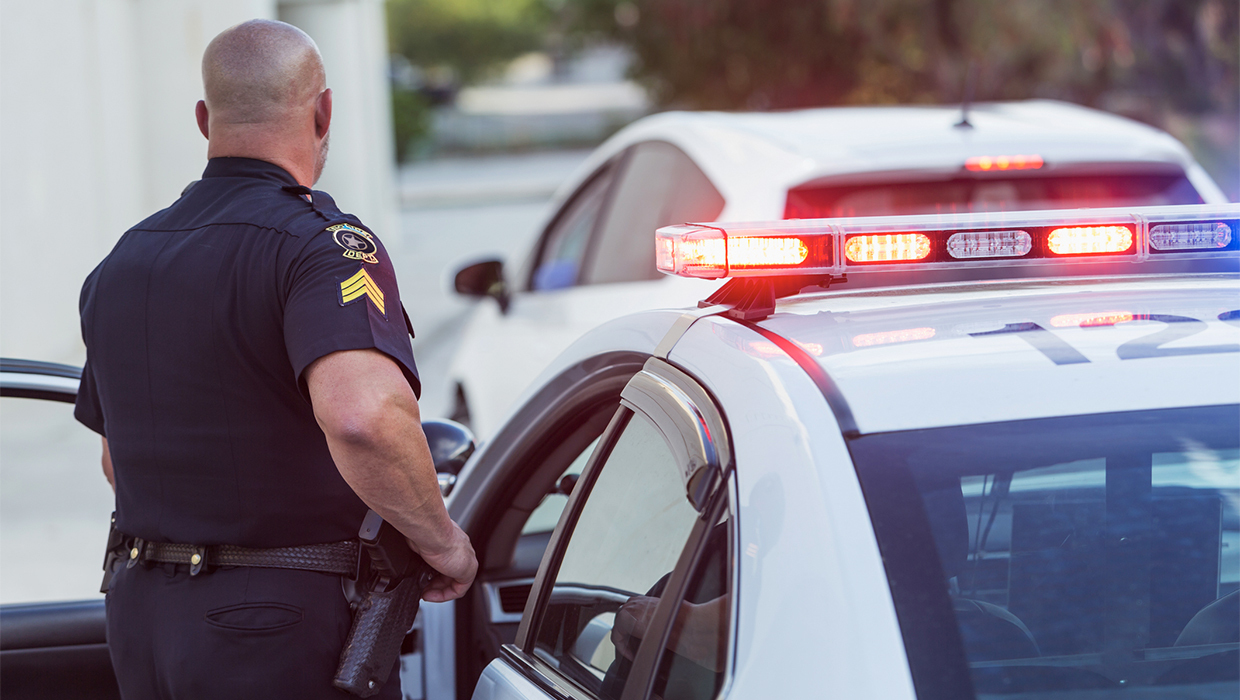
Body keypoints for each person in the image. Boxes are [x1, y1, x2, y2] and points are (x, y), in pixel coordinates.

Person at [73, 19, 477, 699]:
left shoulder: (125, 260)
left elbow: (119, 461)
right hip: (274, 629)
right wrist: (441, 542)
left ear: (205, 120)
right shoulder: (324, 247)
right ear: (324, 112)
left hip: (141, 618)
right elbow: (363, 418)